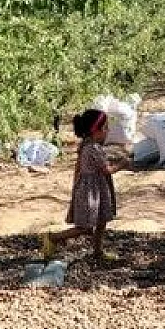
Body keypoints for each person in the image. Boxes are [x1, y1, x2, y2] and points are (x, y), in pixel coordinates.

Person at [42, 108, 126, 261]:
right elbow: (107, 170)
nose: (108, 131)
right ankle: (53, 238)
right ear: (96, 130)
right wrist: (123, 163)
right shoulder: (93, 148)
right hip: (91, 192)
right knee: (85, 227)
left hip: (95, 189)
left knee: (102, 220)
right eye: (105, 127)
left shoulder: (86, 145)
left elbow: (79, 168)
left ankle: (98, 251)